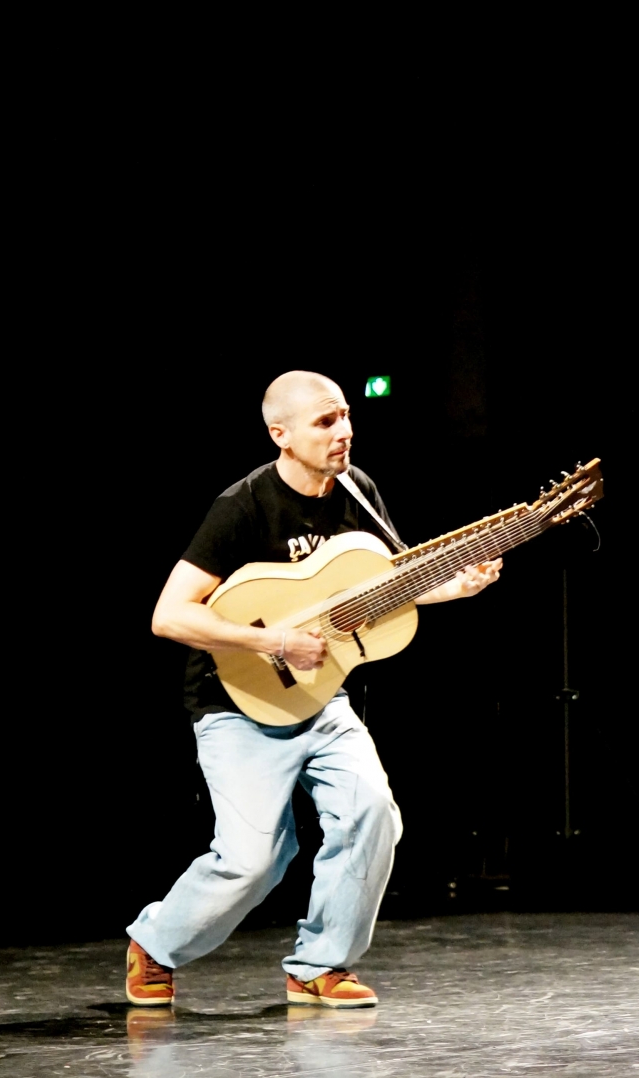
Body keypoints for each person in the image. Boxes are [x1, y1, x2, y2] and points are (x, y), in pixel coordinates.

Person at [126, 370, 504, 1009]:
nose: (343, 431)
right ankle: (155, 944)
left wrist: (454, 586)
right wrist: (275, 641)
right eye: (326, 421)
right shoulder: (242, 506)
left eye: (346, 416)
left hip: (322, 697)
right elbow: (169, 616)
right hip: (236, 702)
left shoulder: (358, 490)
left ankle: (320, 965)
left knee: (372, 815)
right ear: (281, 434)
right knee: (253, 862)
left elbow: (387, 589)